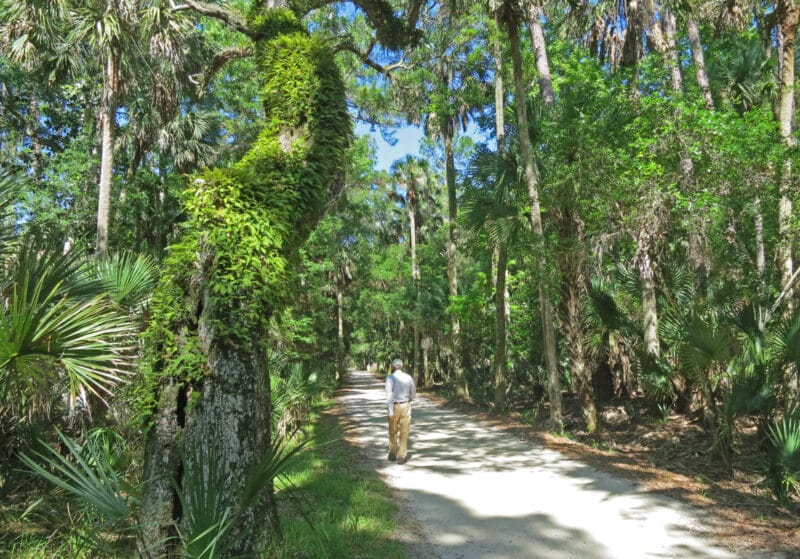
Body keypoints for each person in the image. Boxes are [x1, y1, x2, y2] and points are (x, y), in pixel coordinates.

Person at [385, 358, 416, 464]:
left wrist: (390, 411)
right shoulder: (408, 378)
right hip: (406, 405)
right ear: (402, 366)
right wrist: (409, 401)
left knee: (392, 431)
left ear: (393, 366)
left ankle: (393, 452)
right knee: (404, 432)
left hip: (394, 406)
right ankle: (402, 456)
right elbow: (413, 393)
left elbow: (389, 395)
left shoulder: (390, 378)